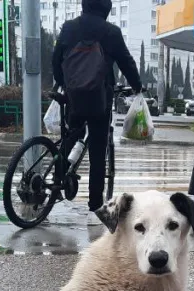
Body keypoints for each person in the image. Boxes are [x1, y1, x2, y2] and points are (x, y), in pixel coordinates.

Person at [52, 0, 142, 231]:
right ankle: (95, 203)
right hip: (99, 99)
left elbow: (56, 59)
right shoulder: (110, 32)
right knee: (98, 149)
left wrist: (65, 83)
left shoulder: (69, 27)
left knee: (71, 134)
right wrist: (138, 87)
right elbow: (126, 62)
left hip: (73, 95)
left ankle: (59, 176)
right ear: (106, 8)